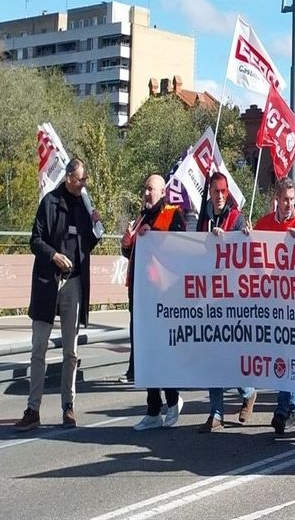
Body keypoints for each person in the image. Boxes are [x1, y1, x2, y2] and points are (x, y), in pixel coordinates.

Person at [15, 158, 102, 432]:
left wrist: (96, 229)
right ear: (68, 178)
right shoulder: (49, 203)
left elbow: (87, 244)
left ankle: (68, 406)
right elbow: (35, 240)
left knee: (71, 351)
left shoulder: (83, 205)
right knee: (38, 348)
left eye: (85, 179)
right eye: (80, 179)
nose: (83, 184)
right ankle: (33, 409)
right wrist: (54, 256)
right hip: (48, 283)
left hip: (74, 283)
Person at [125, 174, 188, 431]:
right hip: (141, 297)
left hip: (163, 296)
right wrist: (127, 243)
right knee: (146, 353)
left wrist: (155, 237)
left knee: (163, 352)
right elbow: (133, 254)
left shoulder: (173, 214)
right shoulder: (141, 217)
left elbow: (181, 247)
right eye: (145, 189)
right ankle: (153, 409)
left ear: (163, 191)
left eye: (151, 189)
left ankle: (172, 401)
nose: (146, 193)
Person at [195, 173, 256, 433]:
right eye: (215, 191)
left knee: (231, 357)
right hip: (208, 296)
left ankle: (248, 391)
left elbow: (243, 247)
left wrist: (238, 236)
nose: (219, 195)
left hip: (231, 298)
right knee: (211, 359)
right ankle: (216, 413)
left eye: (223, 191)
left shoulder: (236, 217)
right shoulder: (203, 216)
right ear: (209, 192)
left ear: (227, 192)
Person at [253, 177, 295, 435]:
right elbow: (250, 253)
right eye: (285, 199)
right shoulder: (264, 224)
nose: (289, 204)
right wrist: (245, 235)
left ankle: (284, 409)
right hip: (271, 301)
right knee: (280, 354)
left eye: (292, 199)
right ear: (276, 198)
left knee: (289, 353)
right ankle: (292, 406)